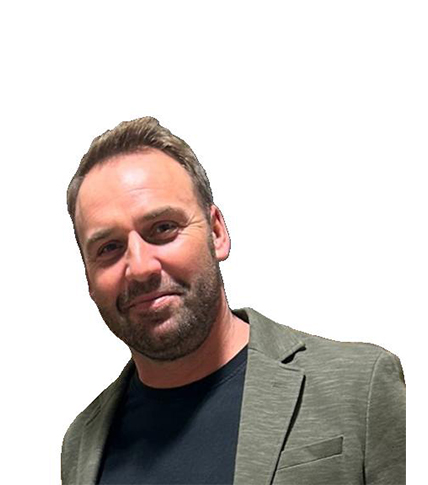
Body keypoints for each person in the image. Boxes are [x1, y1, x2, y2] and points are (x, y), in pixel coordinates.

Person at [62, 117, 405, 485]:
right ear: (88, 277)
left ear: (216, 232)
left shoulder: (361, 386)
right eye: (109, 248)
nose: (141, 267)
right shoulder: (82, 443)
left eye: (163, 228)